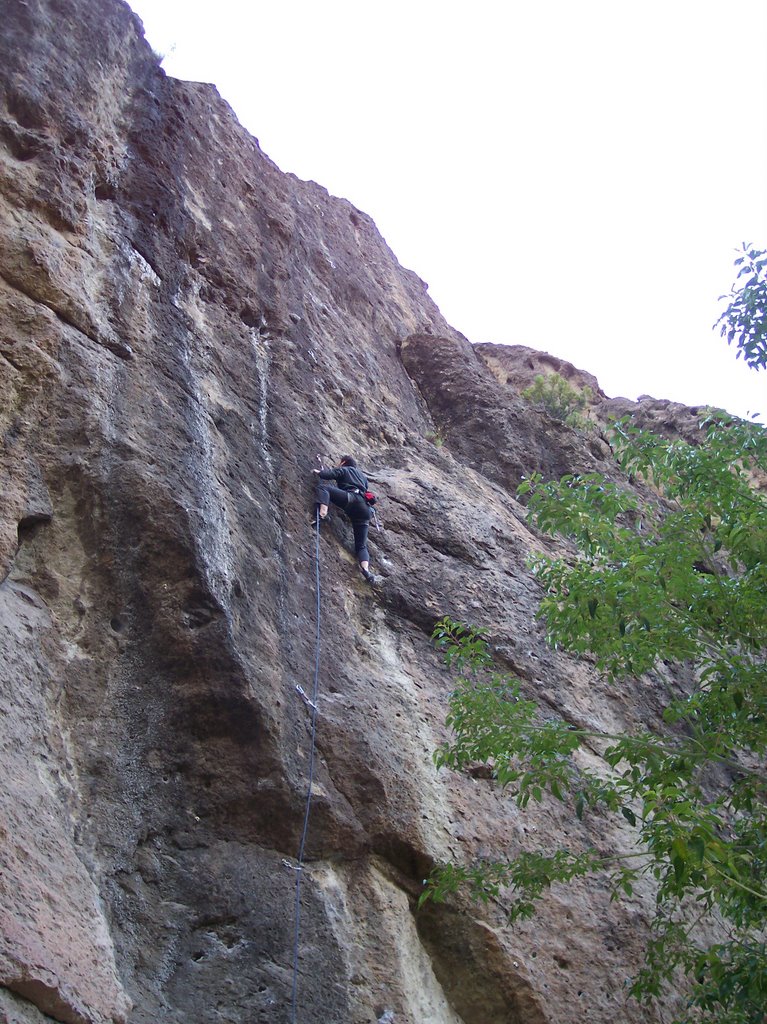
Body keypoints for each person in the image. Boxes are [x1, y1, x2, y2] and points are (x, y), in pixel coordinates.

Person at [312, 455, 377, 584]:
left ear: (343, 462)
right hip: (365, 510)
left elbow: (329, 474)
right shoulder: (363, 478)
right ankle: (366, 570)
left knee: (324, 488)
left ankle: (322, 514)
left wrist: (318, 472)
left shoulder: (345, 469)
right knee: (361, 546)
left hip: (351, 499)